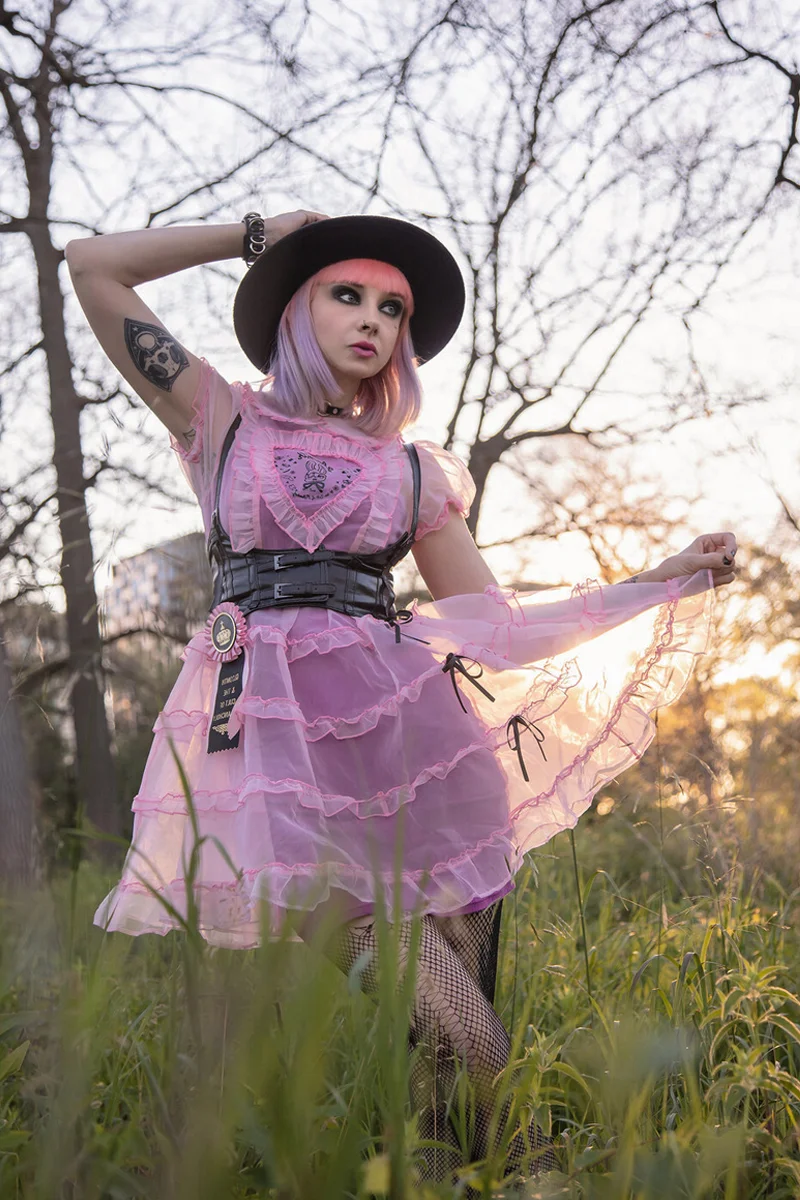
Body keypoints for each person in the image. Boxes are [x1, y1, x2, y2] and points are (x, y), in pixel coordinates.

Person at [66, 209, 737, 1182]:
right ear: (296, 307)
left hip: (419, 753)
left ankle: (453, 1177)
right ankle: (535, 1174)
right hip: (279, 759)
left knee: (436, 1061)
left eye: (393, 307)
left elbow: (496, 630)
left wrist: (656, 576)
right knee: (453, 1021)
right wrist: (254, 236)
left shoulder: (411, 472)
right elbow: (92, 266)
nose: (374, 319)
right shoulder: (221, 420)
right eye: (346, 293)